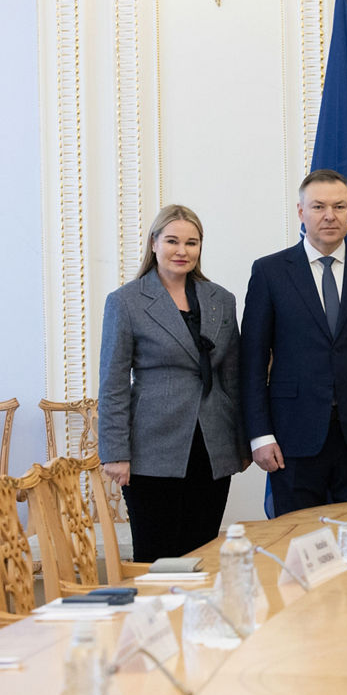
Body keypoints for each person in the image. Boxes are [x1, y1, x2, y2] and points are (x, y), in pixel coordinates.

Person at [240, 169, 347, 515]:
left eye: (339, 206)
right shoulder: (270, 272)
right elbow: (252, 362)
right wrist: (260, 435)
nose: (329, 215)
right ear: (301, 212)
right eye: (318, 207)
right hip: (292, 437)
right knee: (298, 543)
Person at [98, 205, 247, 561]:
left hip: (213, 446)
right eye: (172, 241)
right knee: (157, 554)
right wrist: (115, 452)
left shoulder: (221, 300)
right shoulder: (126, 301)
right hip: (152, 448)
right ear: (153, 244)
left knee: (202, 551)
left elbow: (233, 377)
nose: (182, 251)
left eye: (191, 243)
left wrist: (241, 444)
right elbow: (113, 381)